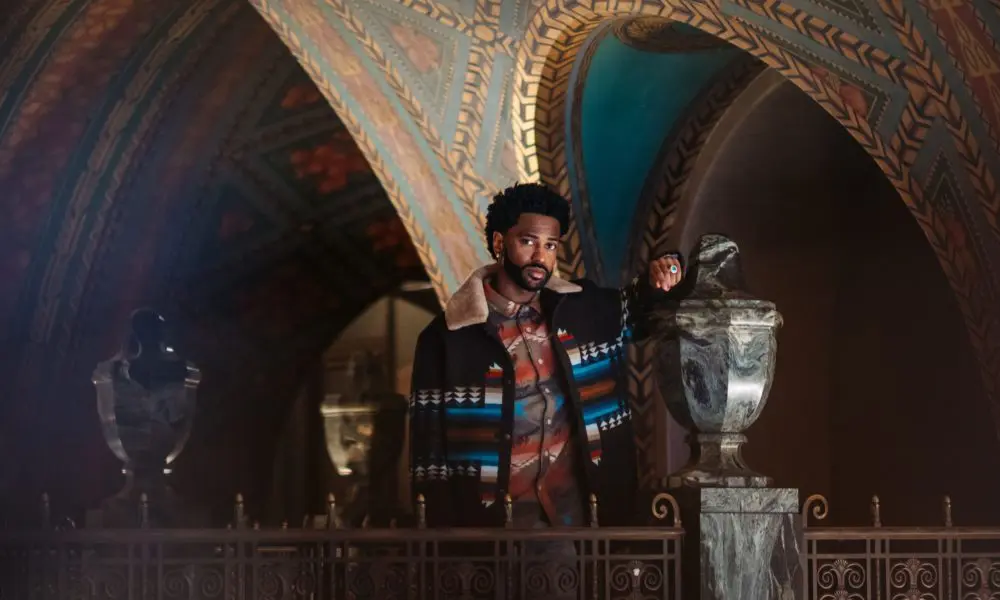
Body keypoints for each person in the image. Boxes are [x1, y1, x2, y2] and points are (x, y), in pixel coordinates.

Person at [409, 182, 684, 530]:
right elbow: (428, 458)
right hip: (493, 531)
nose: (541, 256)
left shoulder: (584, 312)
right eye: (528, 242)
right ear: (499, 243)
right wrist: (443, 547)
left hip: (588, 521)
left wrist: (668, 269)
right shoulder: (446, 339)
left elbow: (644, 307)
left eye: (551, 245)